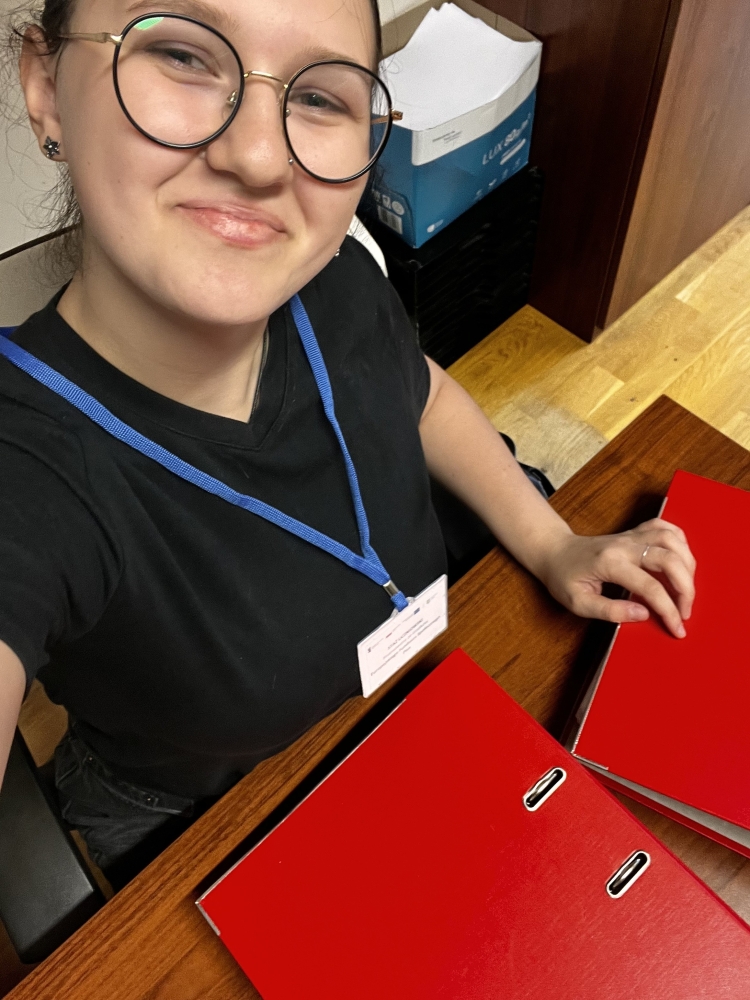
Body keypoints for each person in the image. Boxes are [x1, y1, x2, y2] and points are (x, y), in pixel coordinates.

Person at [0, 0, 695, 885]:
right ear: (45, 86)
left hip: (422, 698)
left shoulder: (339, 280)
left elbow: (419, 395)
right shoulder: (26, 459)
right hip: (215, 819)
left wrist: (553, 542)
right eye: (182, 55)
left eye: (319, 97)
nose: (259, 156)